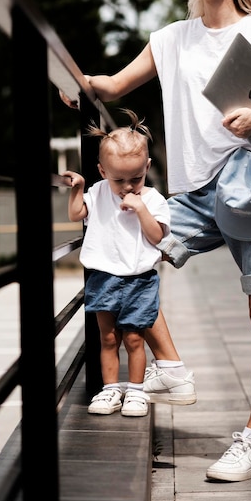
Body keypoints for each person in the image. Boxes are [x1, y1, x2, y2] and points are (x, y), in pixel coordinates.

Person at [61, 0, 251, 480]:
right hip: (197, 192)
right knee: (127, 242)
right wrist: (76, 79)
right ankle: (173, 368)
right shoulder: (171, 39)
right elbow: (113, 85)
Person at [63, 108, 172, 417]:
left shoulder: (153, 200)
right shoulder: (98, 192)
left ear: (147, 167)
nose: (127, 186)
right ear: (102, 171)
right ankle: (111, 389)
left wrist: (140, 208)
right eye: (118, 179)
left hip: (140, 279)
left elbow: (156, 238)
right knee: (108, 338)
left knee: (135, 338)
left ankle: (136, 391)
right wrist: (78, 189)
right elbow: (76, 215)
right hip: (103, 278)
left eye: (136, 178)